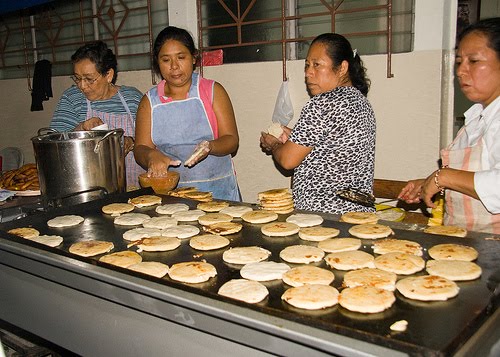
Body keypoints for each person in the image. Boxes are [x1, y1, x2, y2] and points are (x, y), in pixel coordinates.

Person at [398, 17, 500, 234]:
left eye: (473, 61)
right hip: (466, 246)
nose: (461, 71)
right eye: (459, 62)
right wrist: (429, 183)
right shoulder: (478, 118)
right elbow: (475, 176)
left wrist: (443, 177)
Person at [260, 33, 376, 214]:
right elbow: (331, 146)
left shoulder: (322, 103)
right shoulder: (362, 103)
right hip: (357, 217)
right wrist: (294, 136)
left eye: (317, 65)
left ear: (343, 67)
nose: (308, 72)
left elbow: (288, 160)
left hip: (323, 217)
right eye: (307, 65)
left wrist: (274, 144)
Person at [134, 26, 240, 201]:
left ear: (193, 58)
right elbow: (140, 148)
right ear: (157, 63)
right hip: (171, 195)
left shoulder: (213, 91)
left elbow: (231, 140)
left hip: (218, 191)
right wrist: (151, 156)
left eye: (181, 57)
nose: (174, 66)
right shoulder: (149, 102)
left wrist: (210, 147)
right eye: (166, 60)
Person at [50, 41, 144, 188]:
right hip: (86, 189)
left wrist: (130, 142)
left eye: (89, 79)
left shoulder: (132, 98)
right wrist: (80, 129)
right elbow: (53, 145)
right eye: (77, 78)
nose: (82, 85)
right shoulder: (72, 98)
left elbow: (152, 140)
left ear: (108, 75)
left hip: (133, 188)